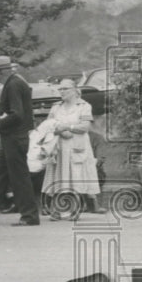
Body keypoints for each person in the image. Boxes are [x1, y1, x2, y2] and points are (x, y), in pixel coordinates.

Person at [0, 56, 40, 227]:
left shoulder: (13, 85)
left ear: (1, 71)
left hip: (14, 138)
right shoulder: (16, 82)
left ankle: (30, 216)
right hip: (13, 137)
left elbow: (17, 114)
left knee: (19, 178)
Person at [37, 78, 101, 220]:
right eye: (60, 89)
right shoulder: (56, 107)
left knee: (75, 177)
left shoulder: (83, 106)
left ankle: (75, 208)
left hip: (76, 147)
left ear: (74, 90)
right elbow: (48, 125)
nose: (61, 92)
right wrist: (58, 131)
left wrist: (67, 127)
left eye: (65, 89)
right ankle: (58, 210)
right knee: (59, 177)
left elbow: (85, 127)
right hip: (59, 147)